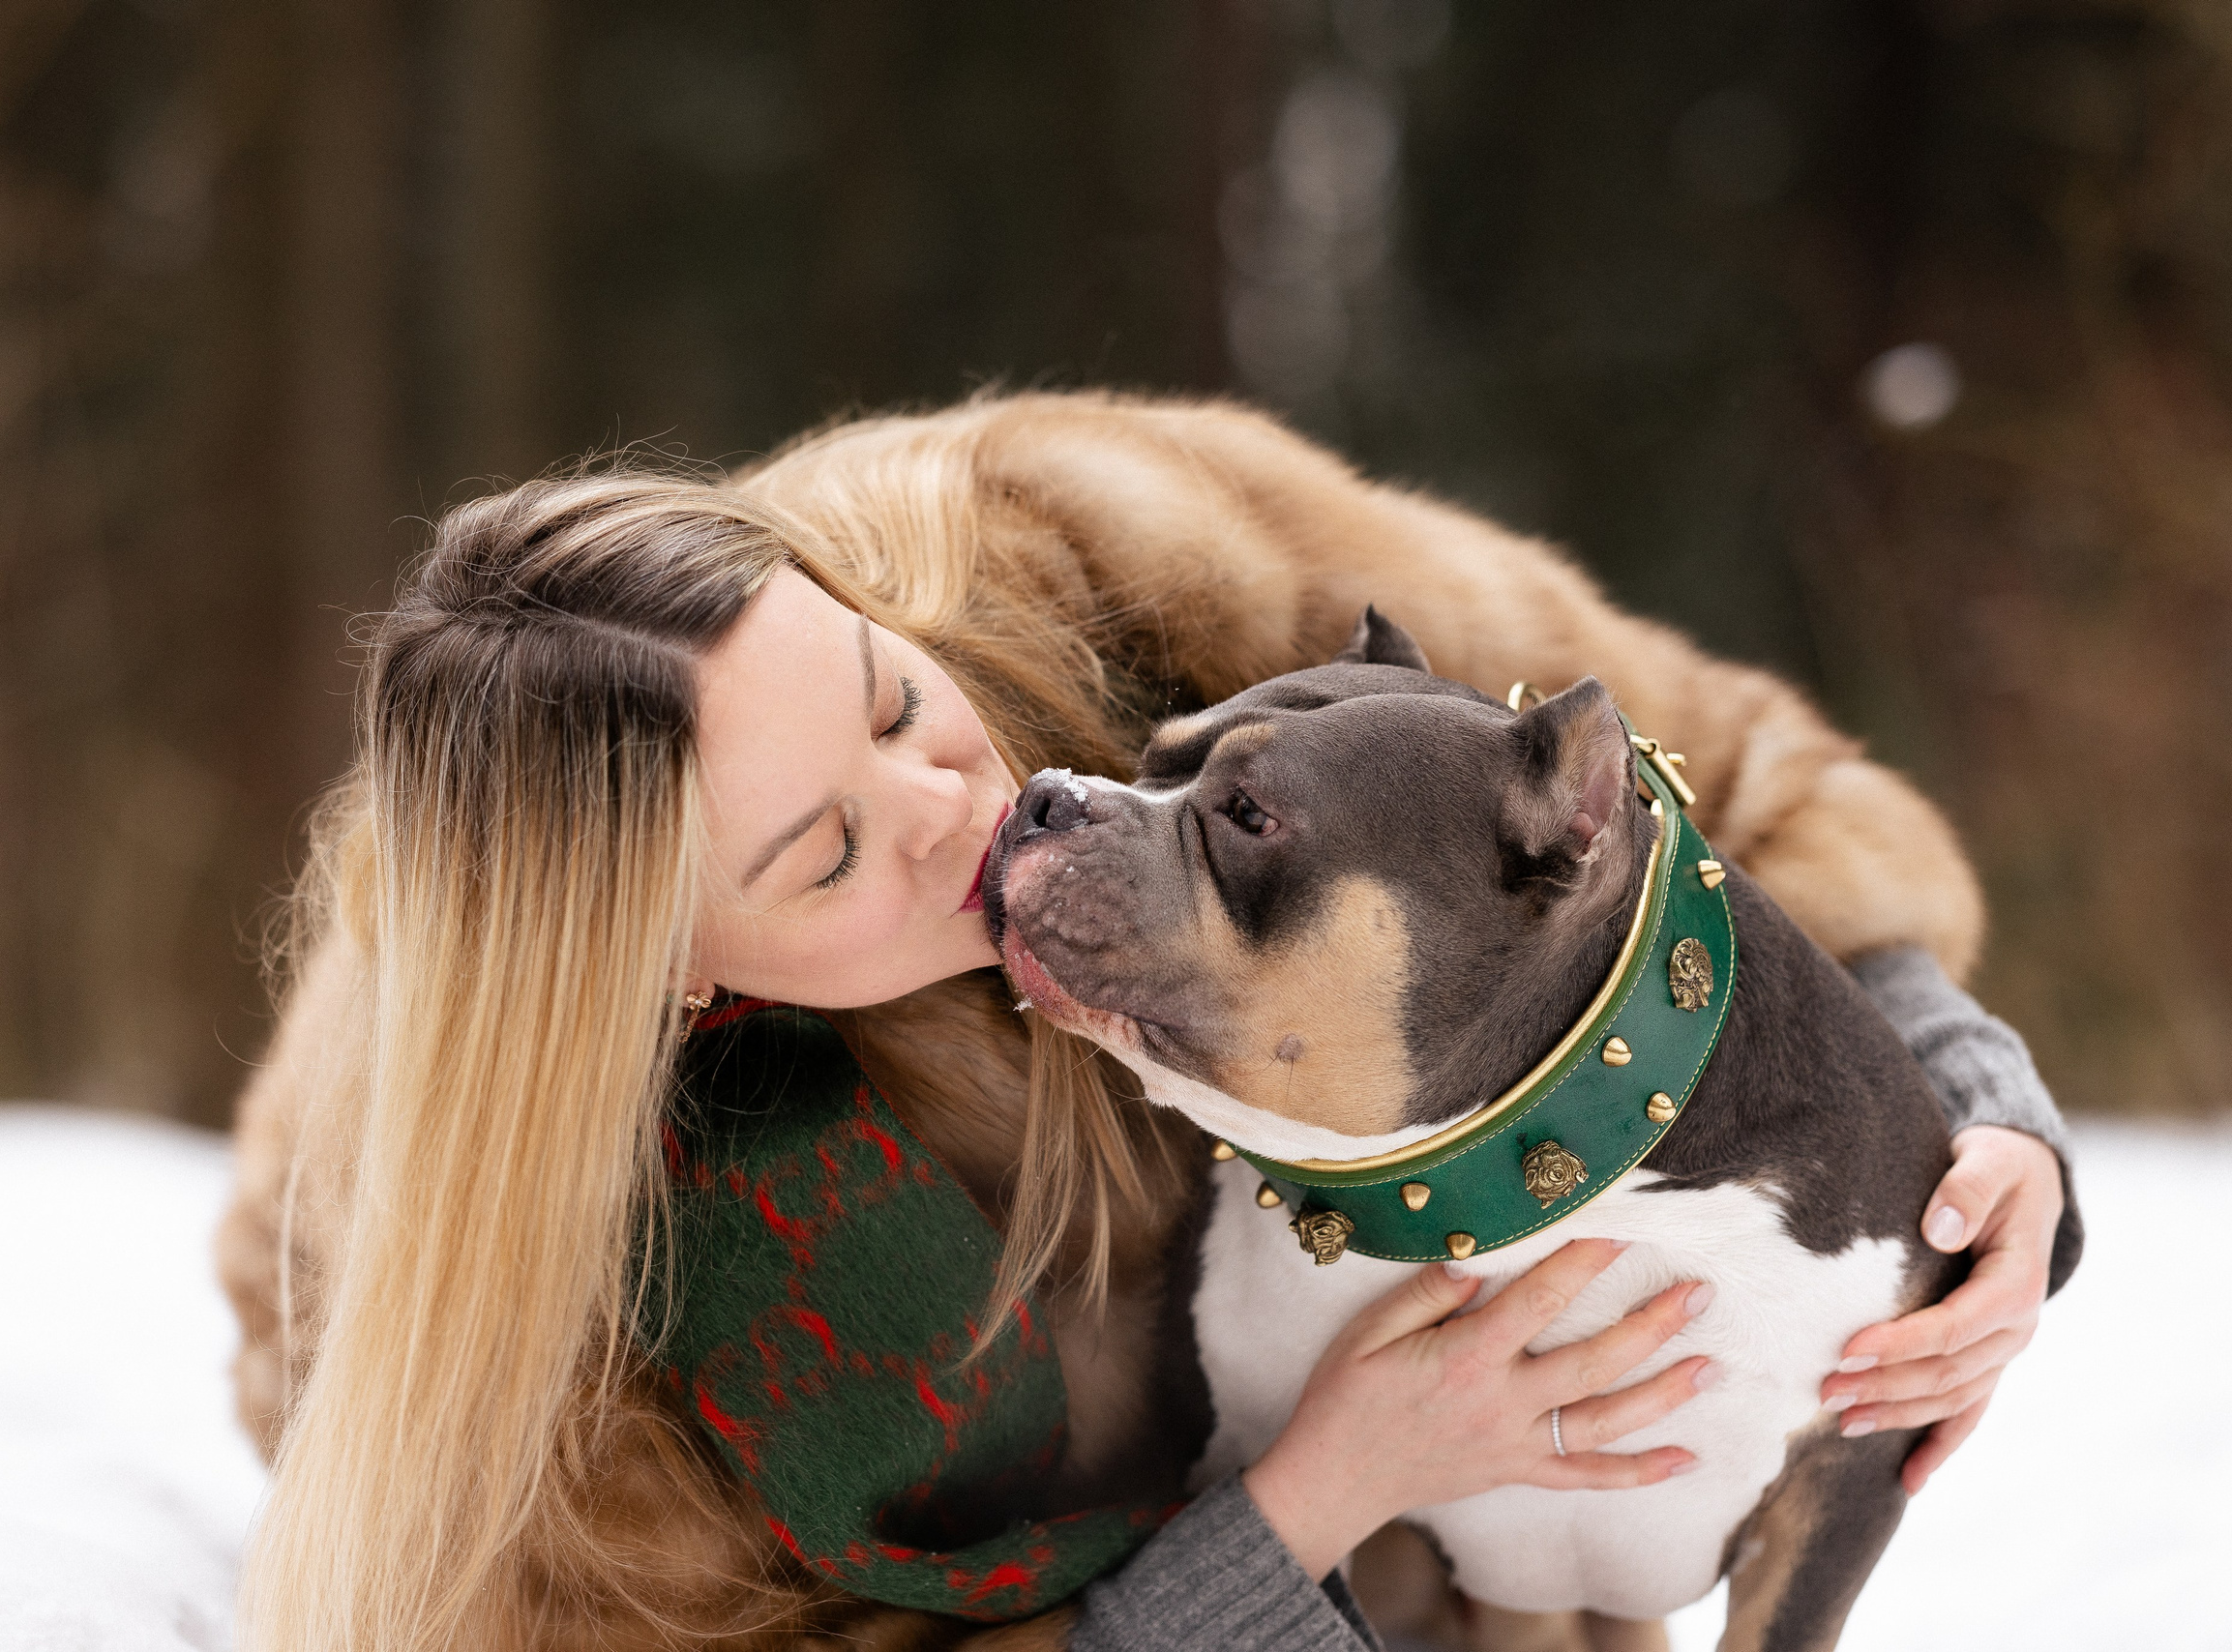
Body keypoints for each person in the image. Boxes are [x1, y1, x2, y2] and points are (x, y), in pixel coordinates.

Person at [222, 392, 2070, 1652]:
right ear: (679, 981)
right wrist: (1310, 1507)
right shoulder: (543, 1380)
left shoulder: (1109, 555)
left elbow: (1724, 793)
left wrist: (1976, 1133)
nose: (959, 805)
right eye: (829, 851)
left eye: (889, 699)